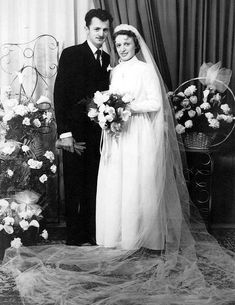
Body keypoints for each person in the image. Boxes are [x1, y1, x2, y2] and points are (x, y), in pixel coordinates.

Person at [2, 24, 235, 305]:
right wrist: (107, 111)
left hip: (137, 136)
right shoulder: (115, 70)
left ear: (136, 45)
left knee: (137, 182)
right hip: (117, 137)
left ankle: (142, 237)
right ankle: (118, 236)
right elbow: (104, 101)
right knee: (117, 182)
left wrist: (125, 106)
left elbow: (154, 103)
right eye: (119, 44)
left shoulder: (143, 69)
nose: (123, 48)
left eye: (127, 44)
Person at [54, 9, 113, 246]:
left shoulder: (108, 60)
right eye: (97, 29)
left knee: (94, 184)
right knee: (74, 185)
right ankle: (74, 237)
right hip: (74, 134)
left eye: (105, 29)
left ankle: (90, 232)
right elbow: (60, 94)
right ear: (86, 28)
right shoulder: (71, 54)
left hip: (98, 134)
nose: (101, 34)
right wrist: (65, 134)